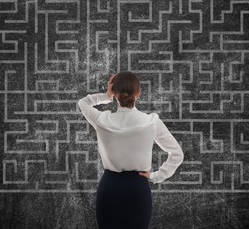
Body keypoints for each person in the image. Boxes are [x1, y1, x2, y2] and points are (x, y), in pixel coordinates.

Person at [78, 71, 184, 229]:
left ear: (115, 93)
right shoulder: (151, 121)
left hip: (109, 187)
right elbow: (177, 154)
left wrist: (106, 96)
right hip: (138, 189)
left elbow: (83, 103)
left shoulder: (102, 119)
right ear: (139, 92)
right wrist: (156, 176)